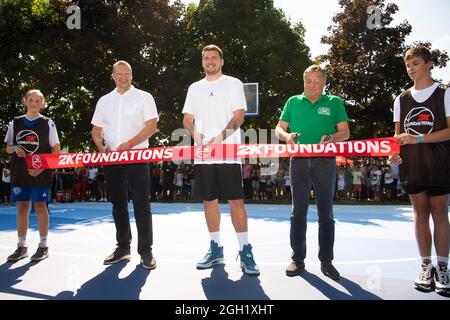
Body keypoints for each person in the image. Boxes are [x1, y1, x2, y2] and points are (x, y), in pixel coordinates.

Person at [182, 44, 259, 275]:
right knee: (209, 202)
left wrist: (219, 138)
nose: (210, 61)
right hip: (204, 156)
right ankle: (215, 248)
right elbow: (187, 119)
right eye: (206, 58)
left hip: (228, 152)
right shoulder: (194, 88)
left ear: (221, 61)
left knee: (236, 202)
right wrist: (196, 136)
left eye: (214, 58)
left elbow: (239, 117)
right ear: (202, 61)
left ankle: (245, 250)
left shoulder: (233, 83)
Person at [275, 64, 350, 279]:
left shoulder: (334, 102)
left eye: (317, 82)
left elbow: (345, 132)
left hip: (325, 162)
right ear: (303, 80)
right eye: (308, 81)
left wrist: (332, 137)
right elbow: (279, 128)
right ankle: (297, 259)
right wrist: (287, 137)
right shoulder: (293, 101)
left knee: (326, 213)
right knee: (298, 212)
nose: (312, 85)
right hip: (298, 161)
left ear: (324, 83)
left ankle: (327, 261)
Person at [391, 45, 450, 295]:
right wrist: (394, 152)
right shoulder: (401, 99)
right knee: (420, 214)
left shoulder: (444, 94)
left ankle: (443, 267)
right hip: (412, 166)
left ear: (428, 64)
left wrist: (417, 139)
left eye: (415, 63)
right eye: (408, 65)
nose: (411, 68)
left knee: (440, 213)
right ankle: (425, 265)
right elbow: (396, 137)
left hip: (439, 163)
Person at [91, 60, 158, 269]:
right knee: (118, 204)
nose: (123, 77)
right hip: (111, 160)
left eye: (126, 73)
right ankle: (123, 247)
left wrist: (128, 145)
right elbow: (96, 130)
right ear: (113, 76)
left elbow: (152, 127)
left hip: (137, 156)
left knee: (141, 204)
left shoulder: (144, 97)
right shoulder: (104, 100)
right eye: (119, 74)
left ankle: (146, 251)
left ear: (132, 75)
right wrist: (102, 149)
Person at [4, 89, 61, 262]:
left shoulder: (48, 123)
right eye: (31, 100)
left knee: (40, 207)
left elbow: (56, 150)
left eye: (38, 100)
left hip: (40, 172)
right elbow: (7, 147)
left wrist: (42, 168)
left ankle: (43, 246)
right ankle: (21, 246)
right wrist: (15, 148)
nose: (34, 103)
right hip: (20, 172)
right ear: (25, 101)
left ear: (42, 103)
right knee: (22, 207)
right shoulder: (15, 122)